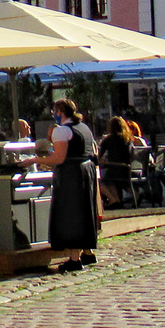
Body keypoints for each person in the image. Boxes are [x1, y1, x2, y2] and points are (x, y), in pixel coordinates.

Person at [21, 98, 97, 271]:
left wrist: (34, 159)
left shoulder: (62, 131)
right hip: (86, 170)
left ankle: (74, 259)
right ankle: (88, 251)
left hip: (71, 173)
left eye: (55, 112)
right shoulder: (84, 128)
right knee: (84, 210)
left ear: (60, 112)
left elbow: (59, 158)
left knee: (71, 214)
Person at [96, 117, 136, 208]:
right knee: (109, 177)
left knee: (101, 181)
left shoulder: (109, 139)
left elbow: (99, 156)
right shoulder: (129, 139)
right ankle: (117, 200)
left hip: (116, 169)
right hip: (128, 169)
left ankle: (114, 199)